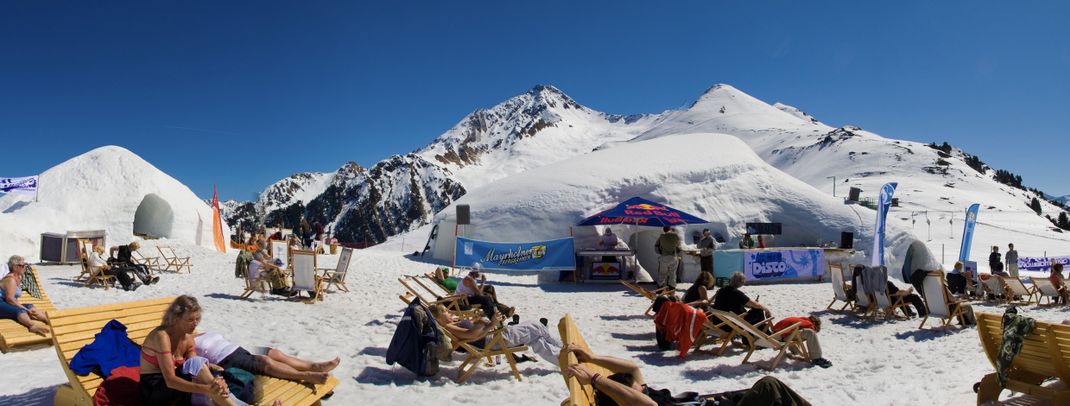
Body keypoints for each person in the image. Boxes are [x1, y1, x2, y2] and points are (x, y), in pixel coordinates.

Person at [562, 344, 811, 406]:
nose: (639, 385)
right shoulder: (643, 403)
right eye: (633, 387)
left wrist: (592, 358)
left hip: (717, 401)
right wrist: (595, 380)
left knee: (775, 396)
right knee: (769, 386)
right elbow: (644, 403)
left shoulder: (644, 394)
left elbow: (632, 368)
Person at [139, 295, 243, 406]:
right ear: (176, 318)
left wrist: (213, 377)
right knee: (206, 378)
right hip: (154, 391)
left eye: (197, 319)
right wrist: (207, 389)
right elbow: (170, 381)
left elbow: (196, 366)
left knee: (214, 380)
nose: (195, 323)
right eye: (190, 320)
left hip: (177, 393)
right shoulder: (162, 336)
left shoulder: (188, 338)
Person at [194, 331, 338, 384]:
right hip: (227, 360)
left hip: (239, 349)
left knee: (274, 353)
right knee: (265, 361)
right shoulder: (185, 342)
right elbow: (192, 363)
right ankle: (305, 375)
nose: (194, 322)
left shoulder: (201, 332)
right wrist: (211, 366)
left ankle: (314, 366)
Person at [430, 304, 558, 363]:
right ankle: (562, 347)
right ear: (438, 317)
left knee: (537, 340)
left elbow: (474, 331)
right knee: (535, 325)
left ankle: (560, 358)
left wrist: (481, 320)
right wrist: (490, 323)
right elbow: (471, 336)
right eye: (445, 311)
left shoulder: (454, 323)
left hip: (496, 335)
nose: (449, 312)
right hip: (496, 340)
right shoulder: (449, 327)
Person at [0, 255, 50, 335]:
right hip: (1, 303)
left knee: (30, 306)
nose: (25, 267)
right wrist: (25, 309)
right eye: (23, 265)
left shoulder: (19, 277)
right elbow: (10, 299)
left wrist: (28, 309)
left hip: (6, 302)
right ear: (15, 267)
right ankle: (32, 325)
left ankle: (47, 320)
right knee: (21, 310)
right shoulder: (10, 280)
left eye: (25, 264)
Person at [654, 226, 682, 291]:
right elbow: (679, 246)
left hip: (664, 256)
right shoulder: (676, 236)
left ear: (664, 230)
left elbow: (656, 246)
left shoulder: (661, 236)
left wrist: (660, 252)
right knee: (672, 273)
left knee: (662, 273)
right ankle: (672, 288)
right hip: (673, 256)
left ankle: (660, 287)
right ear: (670, 229)